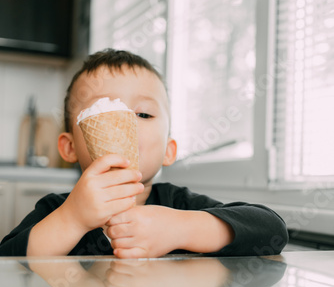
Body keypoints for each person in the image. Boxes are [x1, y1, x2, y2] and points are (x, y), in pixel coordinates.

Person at [0, 49, 288, 258]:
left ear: (168, 149)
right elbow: (7, 262)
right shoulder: (57, 210)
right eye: (104, 113)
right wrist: (72, 220)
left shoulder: (178, 205)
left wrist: (181, 228)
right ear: (69, 147)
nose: (126, 123)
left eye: (143, 113)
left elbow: (271, 229)